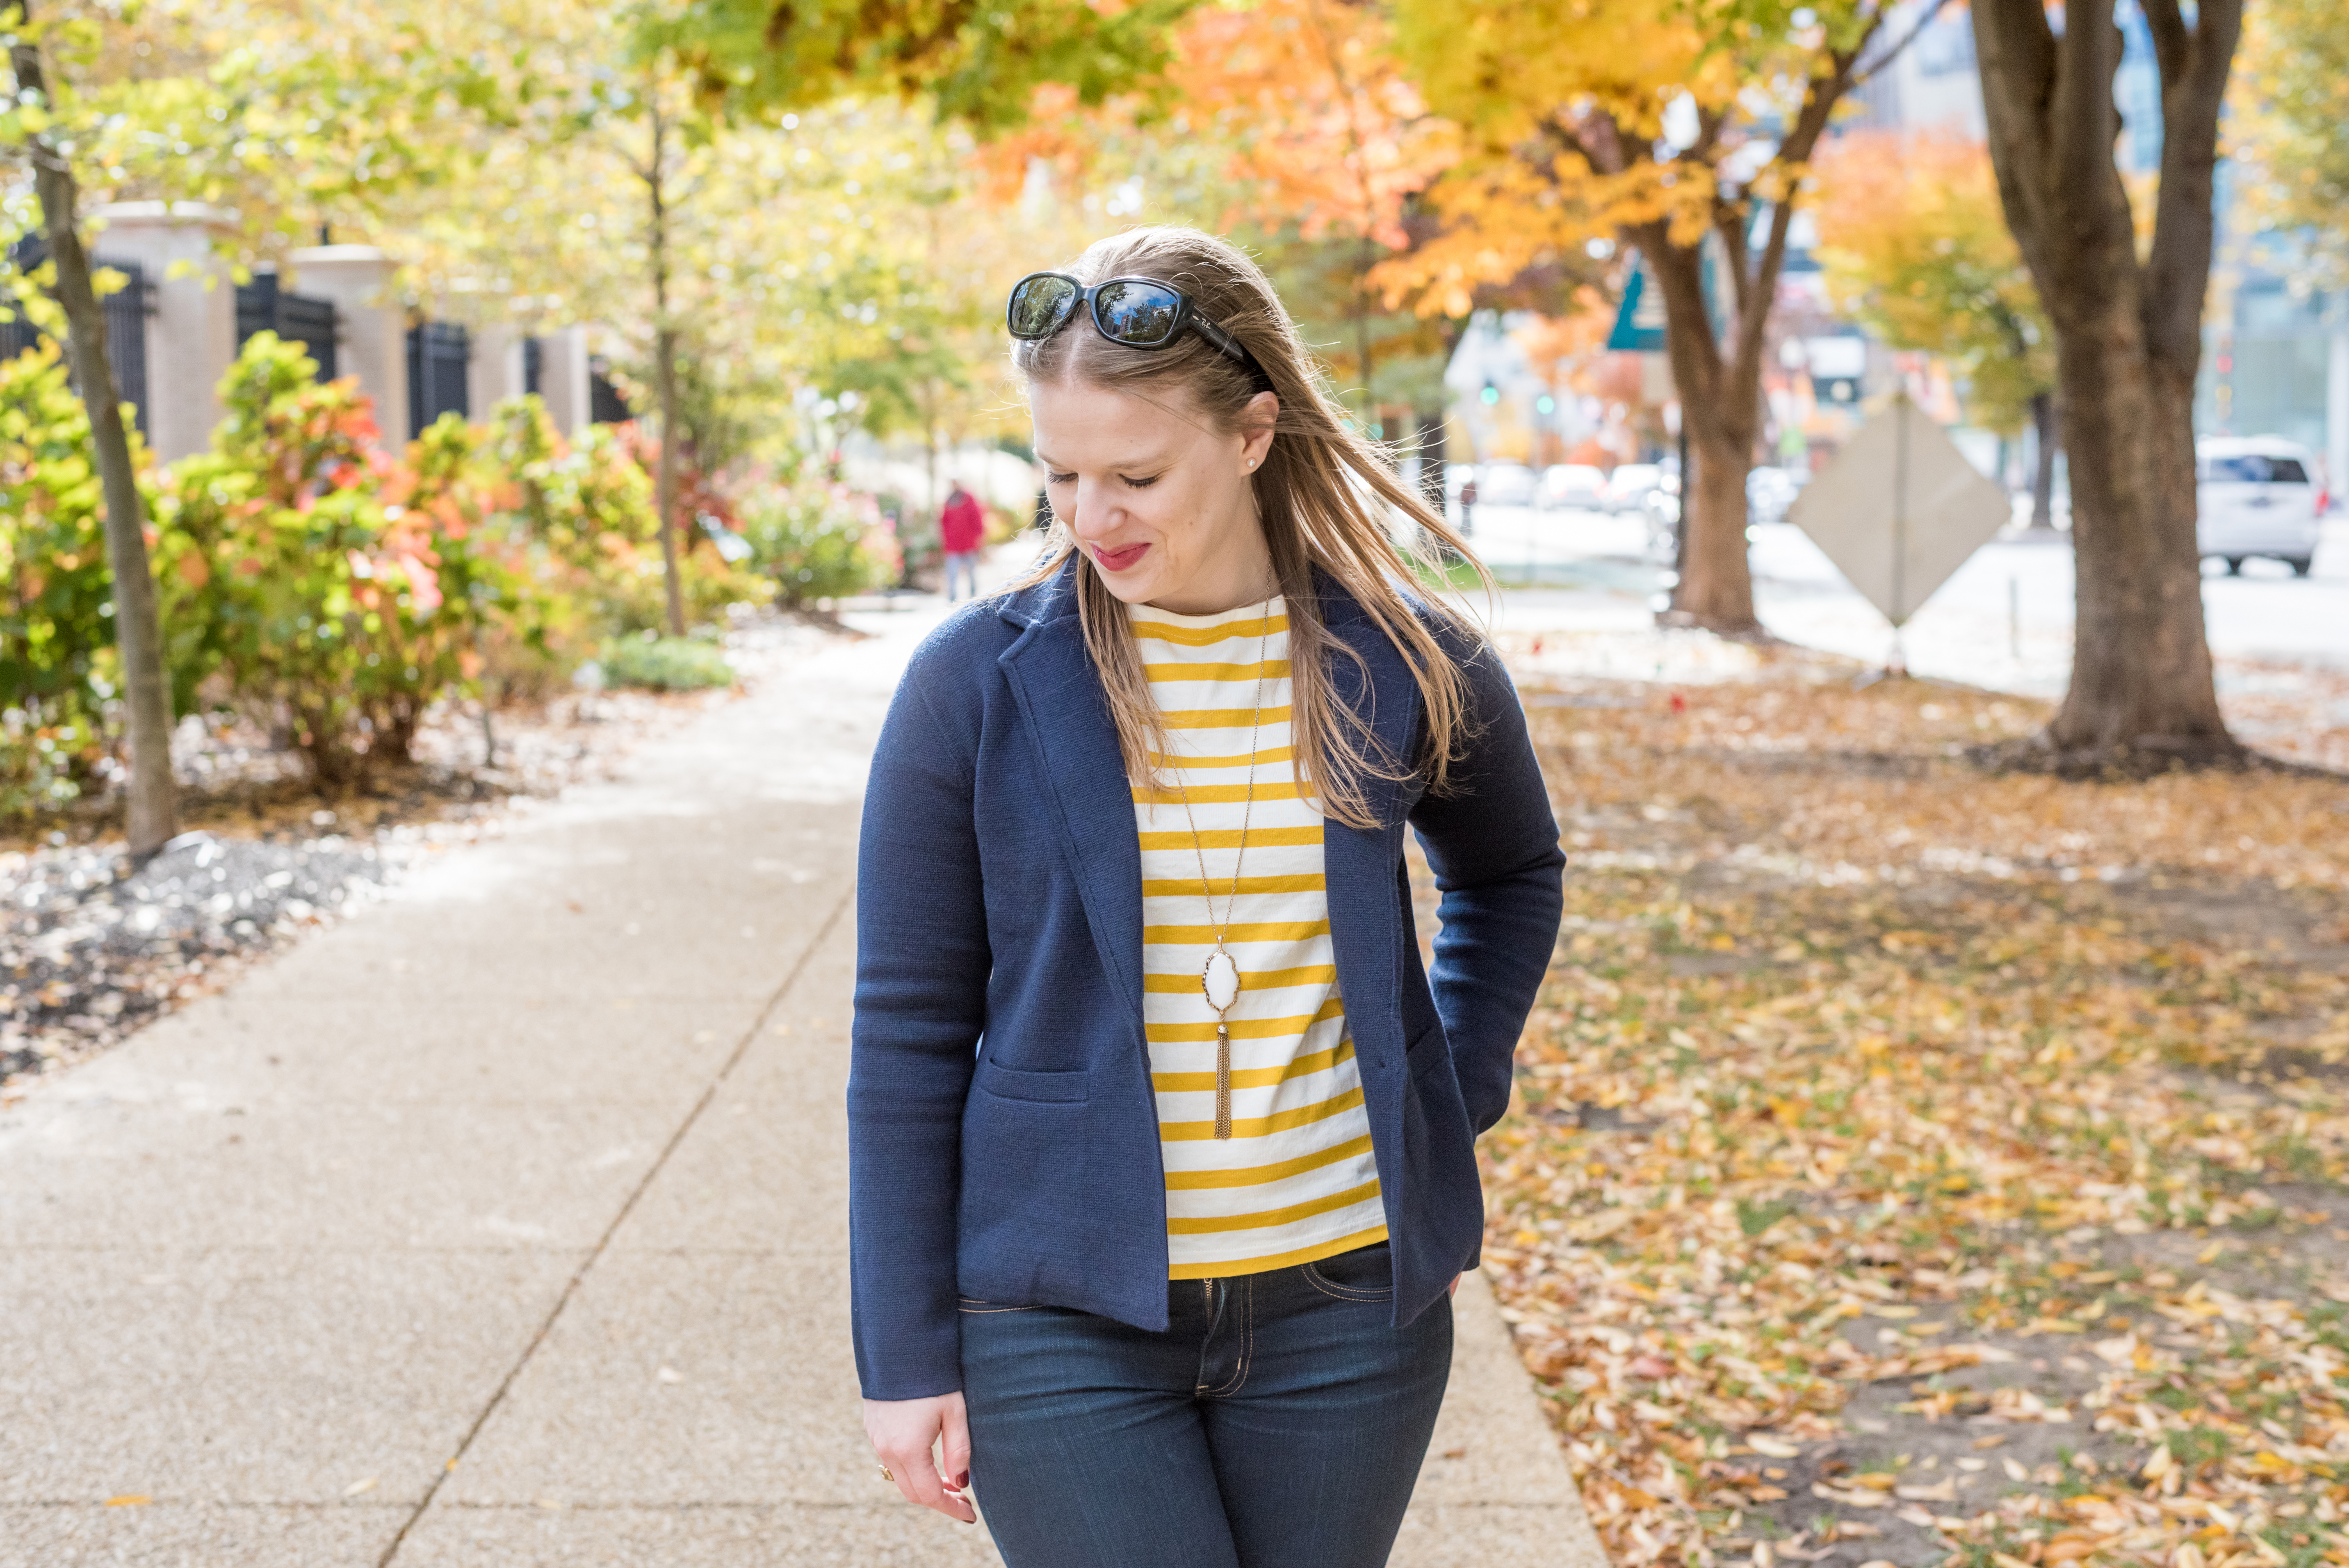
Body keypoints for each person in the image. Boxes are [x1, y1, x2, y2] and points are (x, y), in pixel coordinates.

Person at [850, 226, 1564, 1568]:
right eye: (1057, 473)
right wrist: (899, 1350)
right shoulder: (975, 684)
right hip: (1054, 1314)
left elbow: (1510, 874)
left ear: (1250, 433)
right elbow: (901, 1031)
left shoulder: (1408, 657)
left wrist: (1442, 1094)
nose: (1089, 516)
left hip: (1349, 1311)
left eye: (1134, 474)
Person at [939, 478, 985, 600]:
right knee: (952, 574)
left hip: (968, 544)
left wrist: (979, 537)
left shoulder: (969, 498)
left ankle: (974, 597)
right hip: (953, 545)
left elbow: (977, 518)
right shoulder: (949, 500)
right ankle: (952, 598)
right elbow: (944, 522)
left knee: (971, 573)